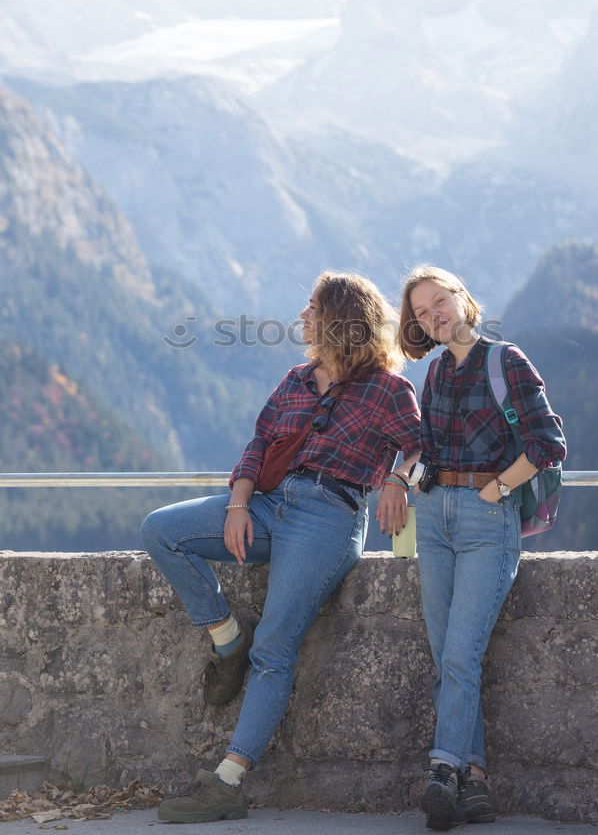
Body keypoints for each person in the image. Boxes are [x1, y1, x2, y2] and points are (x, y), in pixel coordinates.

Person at [140, 271, 421, 823]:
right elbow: (258, 444)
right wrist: (239, 505)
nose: (302, 318)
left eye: (312, 309)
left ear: (339, 319)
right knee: (161, 530)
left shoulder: (389, 389)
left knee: (275, 648)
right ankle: (226, 636)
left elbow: (421, 448)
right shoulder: (296, 378)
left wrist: (396, 479)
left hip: (329, 517)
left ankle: (227, 783)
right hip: (268, 504)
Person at [398, 265, 566, 831]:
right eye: (421, 312)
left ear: (463, 299)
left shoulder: (506, 360)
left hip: (485, 516)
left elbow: (549, 442)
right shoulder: (438, 372)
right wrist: (400, 482)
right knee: (447, 652)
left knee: (459, 653)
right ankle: (475, 779)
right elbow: (425, 445)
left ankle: (443, 769)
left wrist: (496, 489)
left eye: (439, 302)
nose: (433, 316)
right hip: (434, 516)